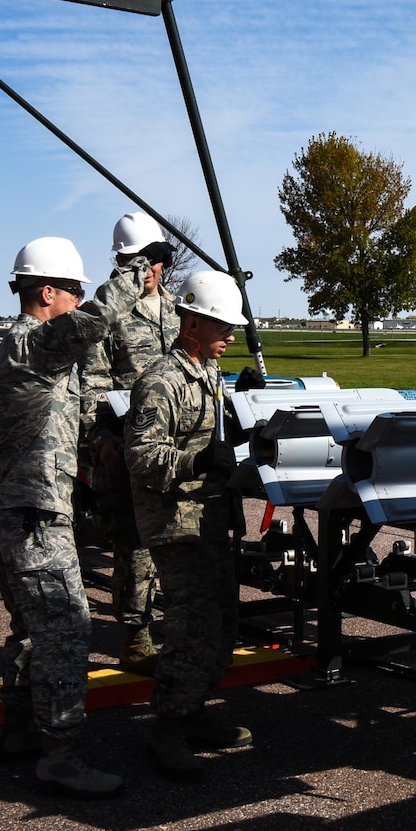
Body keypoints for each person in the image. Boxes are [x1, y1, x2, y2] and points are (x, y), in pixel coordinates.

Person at [0, 236, 164, 799]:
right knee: (66, 627)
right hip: (34, 512)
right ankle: (61, 755)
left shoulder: (27, 350)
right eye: (75, 290)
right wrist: (137, 268)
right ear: (47, 292)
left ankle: (19, 731)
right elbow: (92, 325)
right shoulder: (31, 344)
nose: (81, 300)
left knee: (31, 630)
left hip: (22, 508)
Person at [124, 268, 251, 780]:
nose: (231, 334)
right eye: (222, 325)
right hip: (176, 521)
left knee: (222, 621)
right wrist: (195, 463)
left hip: (208, 517)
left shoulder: (208, 375)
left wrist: (245, 408)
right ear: (193, 323)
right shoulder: (162, 381)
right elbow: (141, 455)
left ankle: (195, 710)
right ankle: (168, 729)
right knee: (191, 626)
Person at [80, 212, 181, 674]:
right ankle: (136, 635)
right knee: (134, 548)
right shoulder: (107, 311)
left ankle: (176, 628)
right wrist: (100, 440)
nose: (149, 270)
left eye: (155, 260)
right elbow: (91, 384)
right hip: (124, 445)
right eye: (138, 261)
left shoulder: (178, 310)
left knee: (179, 544)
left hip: (173, 445)